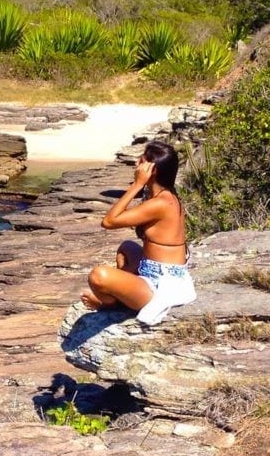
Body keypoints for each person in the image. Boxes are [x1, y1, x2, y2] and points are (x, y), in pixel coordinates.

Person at [80, 139, 196, 325]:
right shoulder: (166, 195)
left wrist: (136, 185)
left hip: (162, 284)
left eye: (141, 162)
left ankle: (109, 305)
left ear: (152, 170)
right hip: (153, 269)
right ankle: (124, 293)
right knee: (127, 247)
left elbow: (109, 221)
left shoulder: (161, 203)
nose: (136, 164)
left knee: (98, 276)